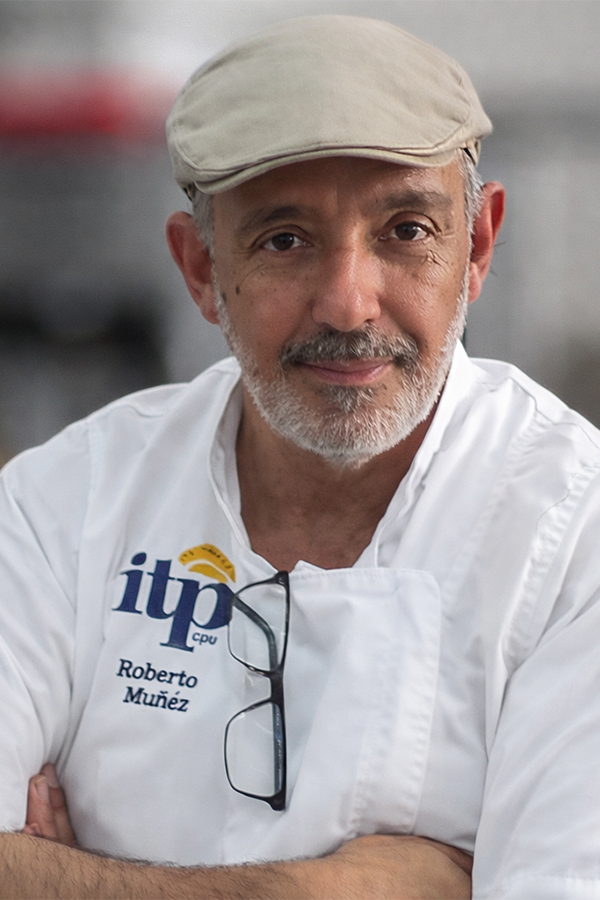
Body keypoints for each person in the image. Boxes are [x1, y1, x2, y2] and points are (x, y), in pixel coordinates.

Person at [2, 13, 600, 899]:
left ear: (476, 247)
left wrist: (67, 879)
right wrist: (313, 892)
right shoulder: (63, 504)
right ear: (201, 268)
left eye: (406, 231)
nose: (348, 304)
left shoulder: (574, 532)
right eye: (285, 240)